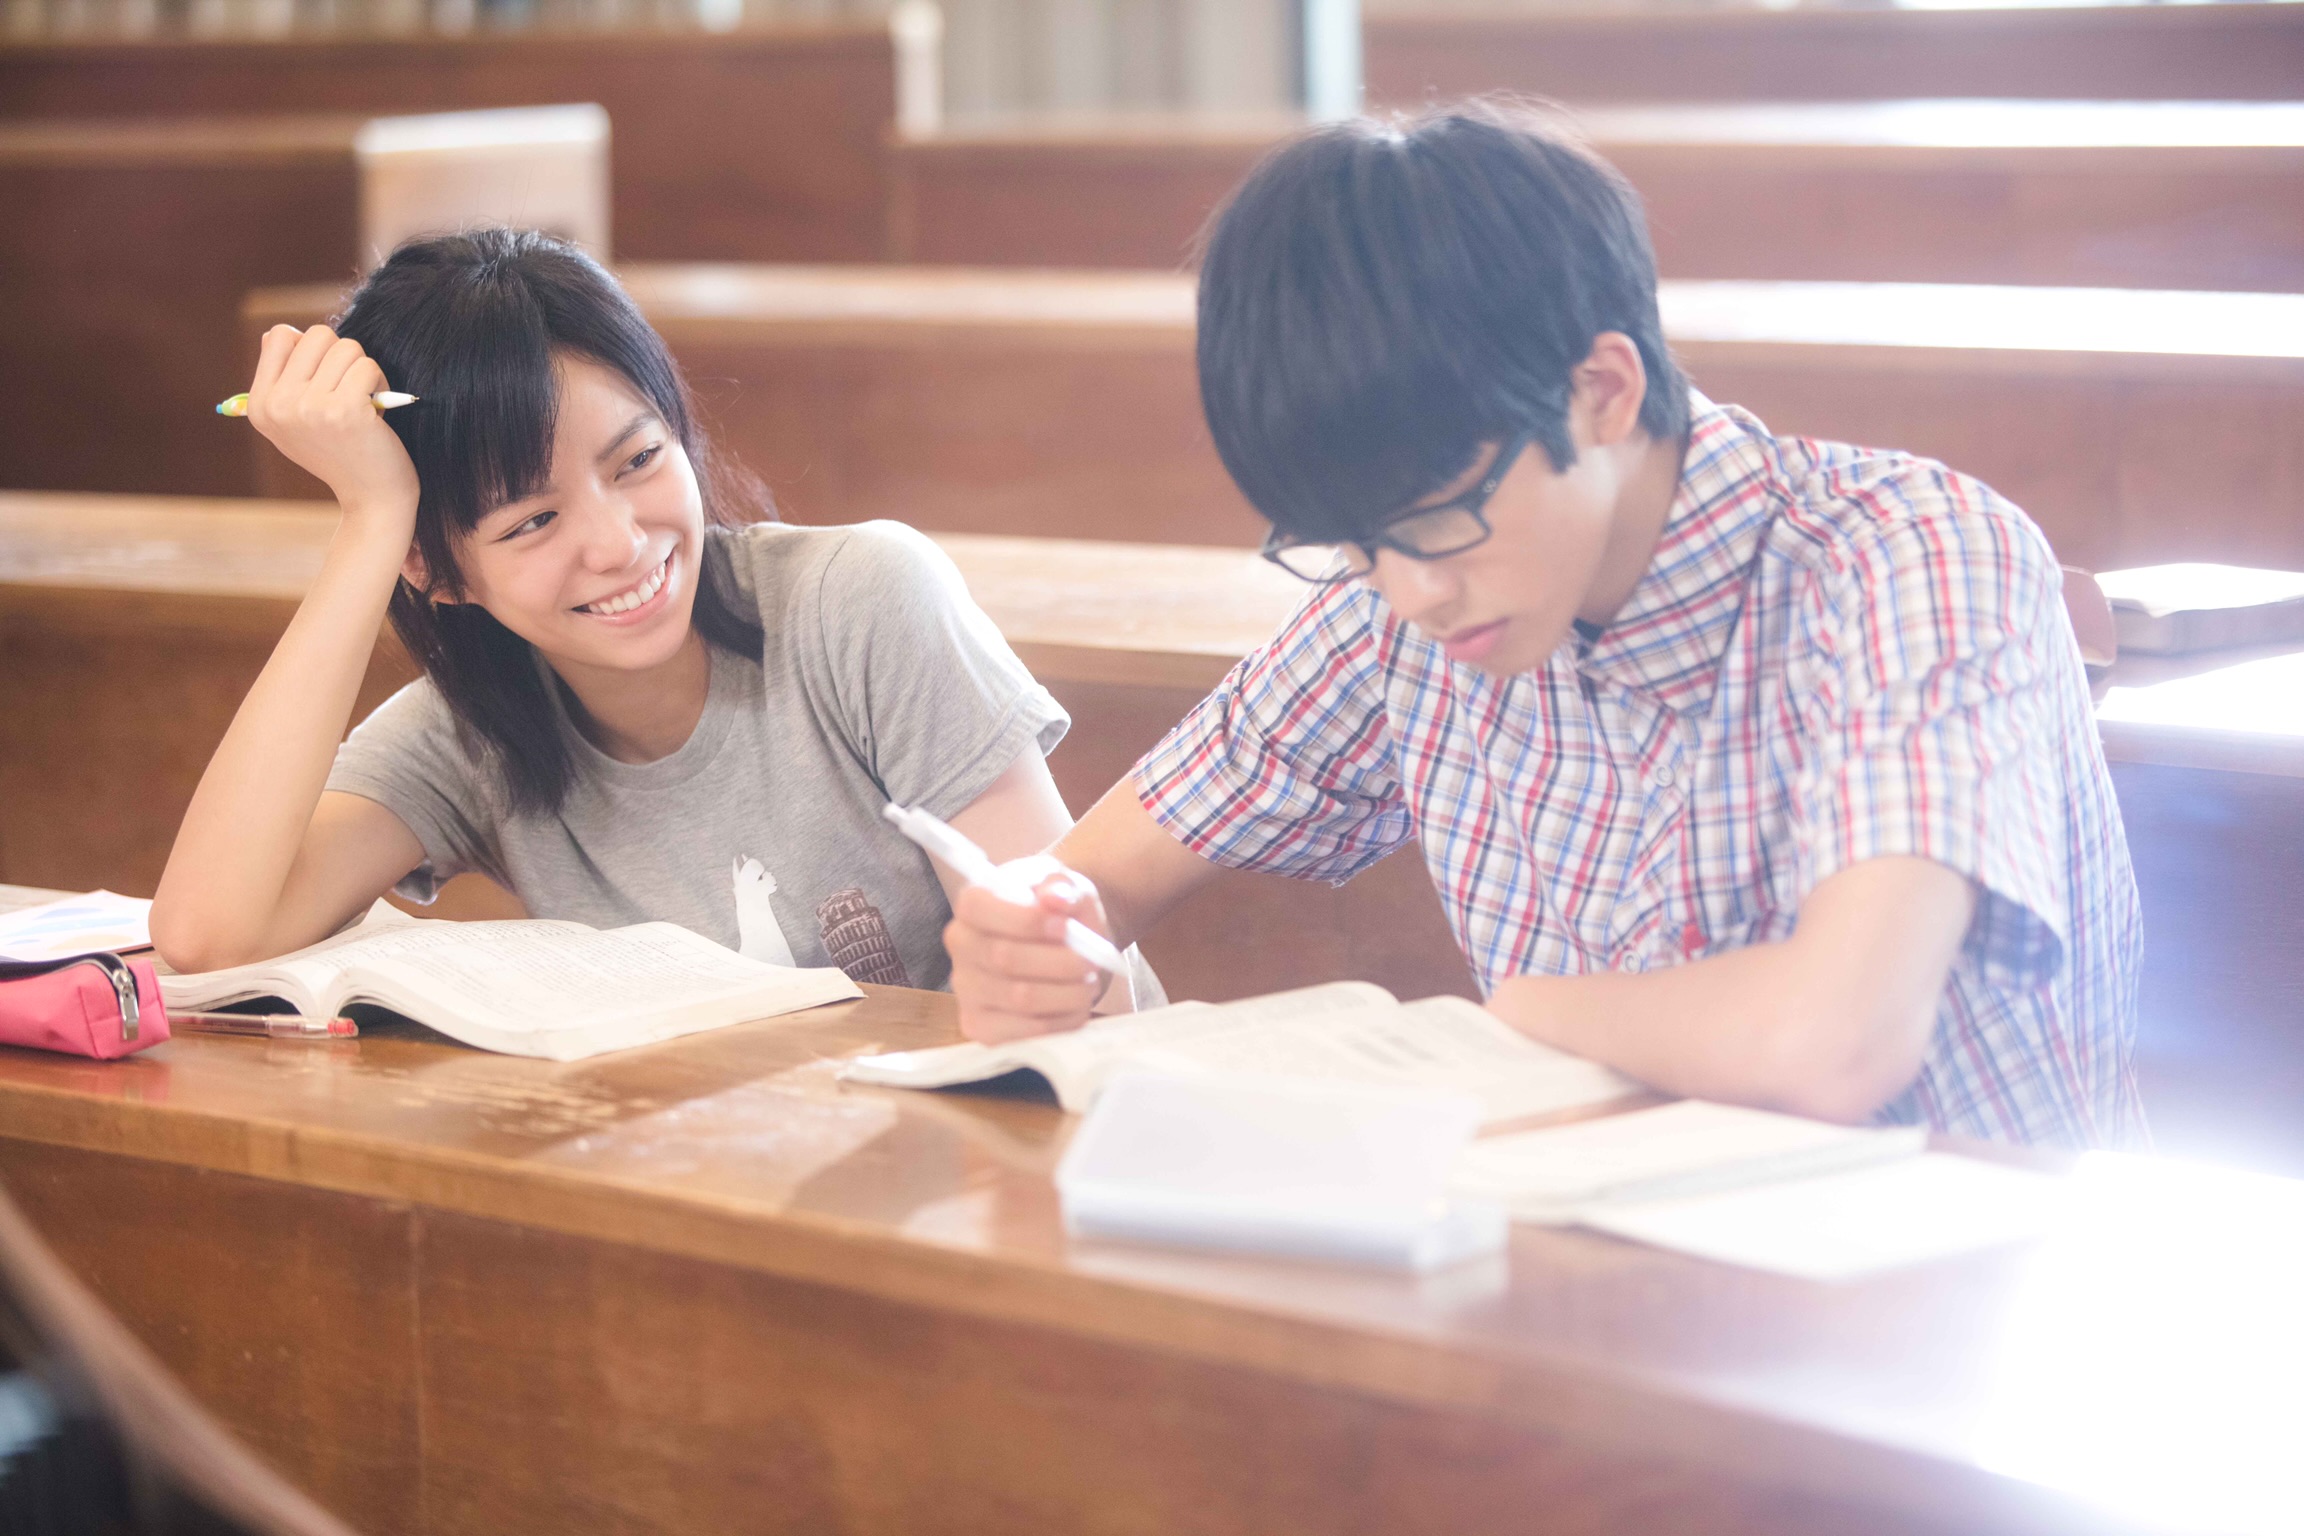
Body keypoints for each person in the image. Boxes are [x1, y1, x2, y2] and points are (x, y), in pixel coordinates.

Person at [943, 104, 2142, 1148]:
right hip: (1610, 1300)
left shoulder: (1911, 560)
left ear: (1604, 393)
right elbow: (1090, 884)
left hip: (1949, 1329)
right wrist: (1033, 945)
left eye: (1438, 520)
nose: (1408, 591)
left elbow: (1834, 1043)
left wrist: (1520, 1017)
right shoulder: (1406, 604)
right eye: (1353, 545)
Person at [151, 228, 1136, 1008]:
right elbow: (208, 936)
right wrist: (372, 521)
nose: (619, 542)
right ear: (439, 573)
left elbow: (1067, 989)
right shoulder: (472, 733)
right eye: (533, 519)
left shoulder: (865, 601)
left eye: (638, 460)